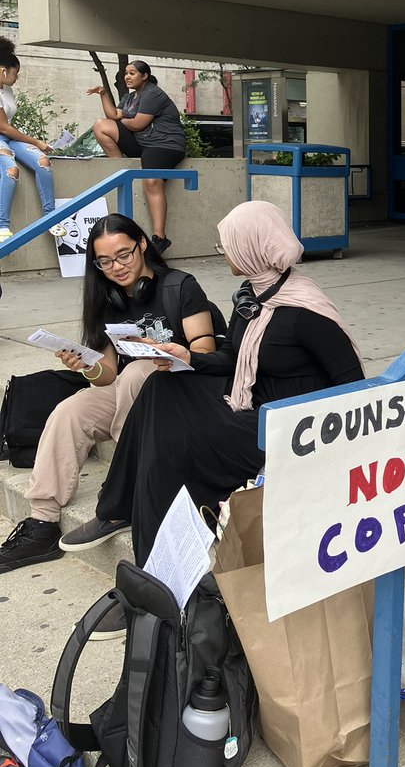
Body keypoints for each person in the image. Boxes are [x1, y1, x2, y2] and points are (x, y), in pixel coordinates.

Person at [83, 200, 364, 567]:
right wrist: (186, 357)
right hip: (248, 401)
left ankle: (154, 566)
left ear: (251, 247)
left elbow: (353, 385)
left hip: (282, 427)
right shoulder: (255, 295)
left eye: (226, 245)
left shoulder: (302, 311)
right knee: (159, 387)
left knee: (170, 445)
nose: (223, 253)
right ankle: (120, 508)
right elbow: (231, 356)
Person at [0, 214, 217, 578]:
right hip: (130, 388)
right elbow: (107, 376)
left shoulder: (180, 286)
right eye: (104, 261)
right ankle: (42, 522)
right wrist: (84, 365)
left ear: (142, 245)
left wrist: (163, 350)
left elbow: (207, 351)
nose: (115, 267)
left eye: (124, 255)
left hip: (184, 386)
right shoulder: (106, 298)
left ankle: (125, 487)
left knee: (138, 371)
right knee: (71, 410)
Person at [87, 60, 186, 253]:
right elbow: (112, 114)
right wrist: (104, 94)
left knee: (152, 182)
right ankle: (120, 170)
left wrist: (122, 118)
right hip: (143, 143)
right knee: (101, 125)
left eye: (132, 73)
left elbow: (138, 123)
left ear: (145, 76)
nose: (127, 77)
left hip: (165, 145)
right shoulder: (130, 97)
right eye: (126, 73)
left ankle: (160, 238)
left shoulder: (153, 94)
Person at [0, 37, 67, 243]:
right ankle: (2, 225)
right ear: (4, 71)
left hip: (8, 137)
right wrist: (35, 141)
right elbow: (3, 127)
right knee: (11, 170)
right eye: (15, 73)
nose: (17, 77)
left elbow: (9, 125)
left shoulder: (7, 91)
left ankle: (50, 217)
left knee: (43, 162)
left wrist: (32, 143)